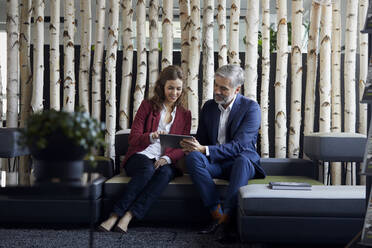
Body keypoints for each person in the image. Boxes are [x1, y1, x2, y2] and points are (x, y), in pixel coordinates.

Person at [99, 65, 191, 233]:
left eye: (178, 89)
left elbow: (182, 146)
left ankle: (128, 216)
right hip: (141, 155)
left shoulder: (185, 114)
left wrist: (168, 159)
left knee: (165, 173)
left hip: (166, 160)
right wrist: (151, 136)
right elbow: (133, 138)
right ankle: (113, 216)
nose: (174, 93)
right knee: (147, 170)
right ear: (162, 86)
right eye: (170, 88)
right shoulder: (147, 106)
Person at [180, 64, 265, 242]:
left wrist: (205, 149)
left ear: (237, 89)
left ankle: (228, 218)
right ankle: (218, 216)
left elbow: (240, 146)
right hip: (216, 163)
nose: (217, 91)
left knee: (242, 160)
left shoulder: (251, 108)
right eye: (216, 85)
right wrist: (190, 144)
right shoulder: (209, 107)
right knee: (194, 158)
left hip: (240, 162)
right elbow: (202, 139)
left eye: (223, 88)